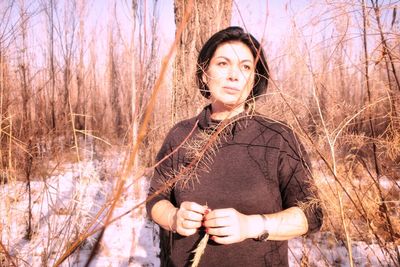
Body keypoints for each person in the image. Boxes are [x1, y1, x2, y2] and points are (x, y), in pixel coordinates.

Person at [146, 26, 323, 267]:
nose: (234, 75)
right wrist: (174, 217)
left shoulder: (277, 137)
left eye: (246, 67)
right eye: (222, 63)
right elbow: (155, 200)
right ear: (204, 73)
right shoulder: (181, 135)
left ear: (254, 80)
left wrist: (250, 225)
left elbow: (310, 214)